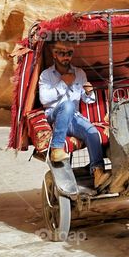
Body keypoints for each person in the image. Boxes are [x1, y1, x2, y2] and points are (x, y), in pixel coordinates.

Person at [37, 41, 105, 177]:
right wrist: (64, 84)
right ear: (54, 55)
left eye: (69, 53)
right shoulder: (46, 75)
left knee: (92, 132)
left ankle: (97, 171)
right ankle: (57, 148)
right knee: (67, 105)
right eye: (62, 53)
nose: (66, 57)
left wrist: (88, 92)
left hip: (74, 118)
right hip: (54, 116)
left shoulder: (79, 73)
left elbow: (88, 100)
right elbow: (44, 99)